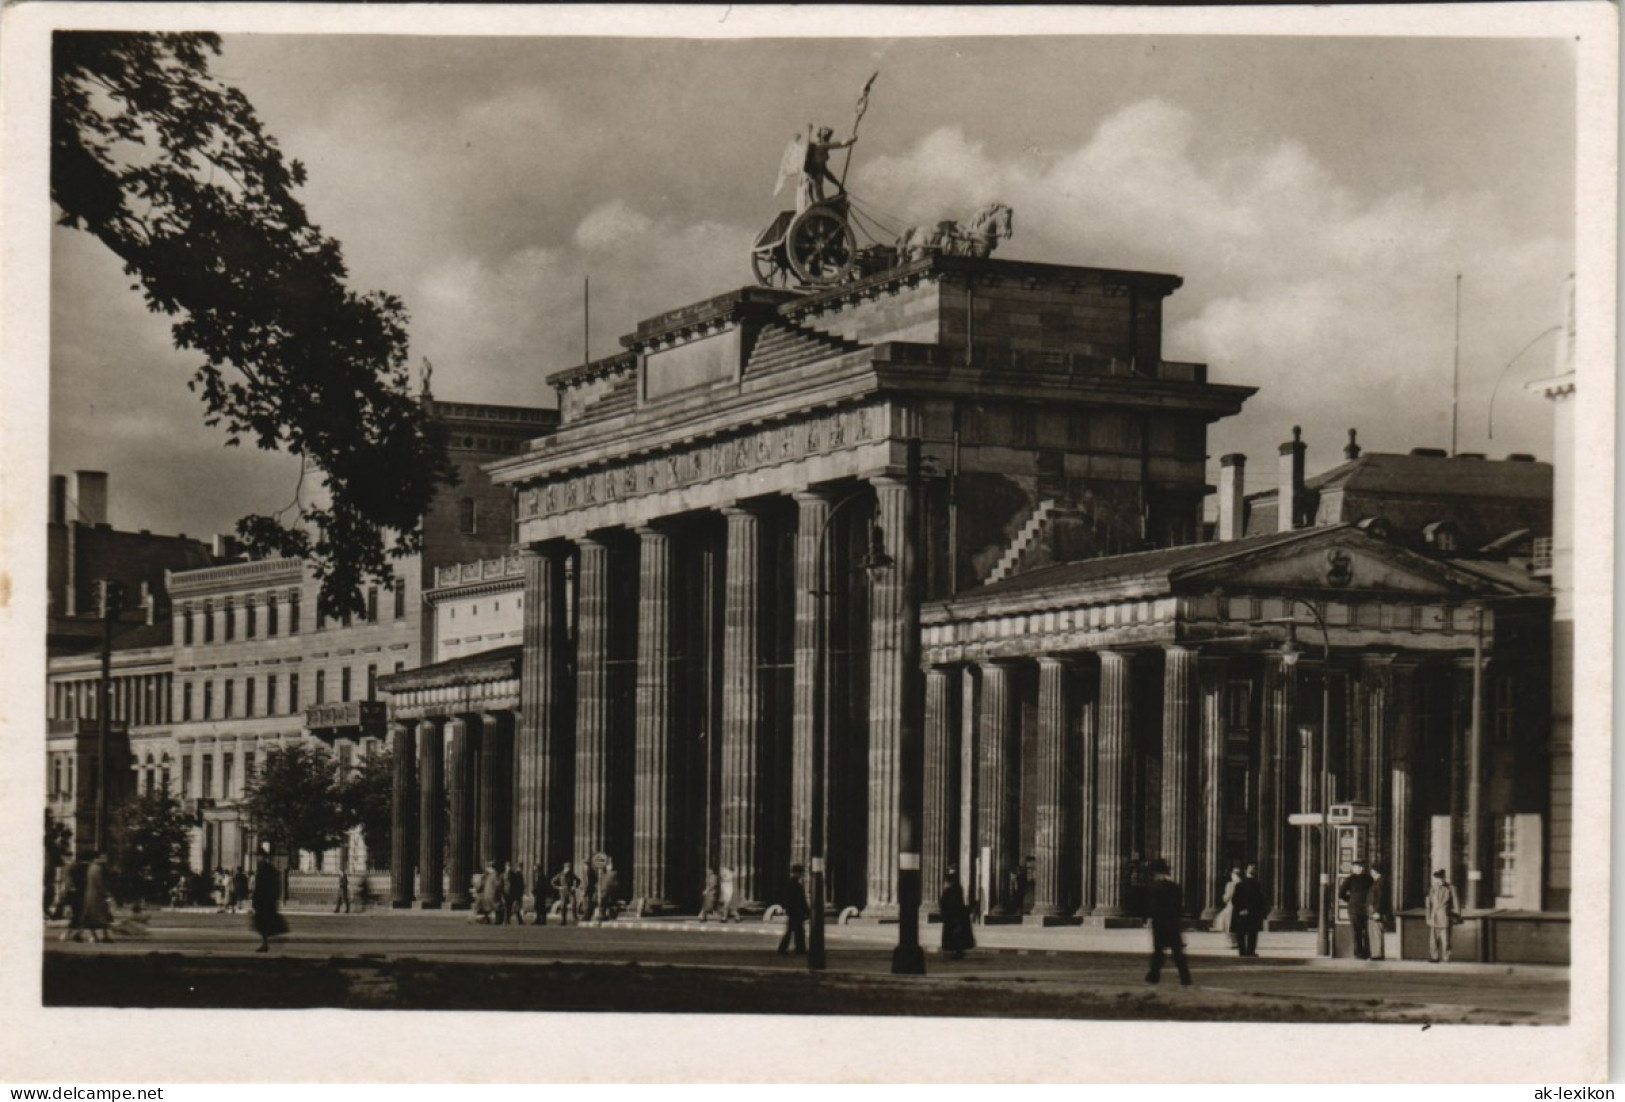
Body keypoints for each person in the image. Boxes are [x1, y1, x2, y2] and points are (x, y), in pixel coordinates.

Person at [1143, 859, 1191, 986]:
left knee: (1158, 950)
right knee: (1177, 952)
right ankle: (1185, 976)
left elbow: (1152, 908)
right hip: (1173, 923)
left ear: (1156, 873)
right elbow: (1179, 907)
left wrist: (1150, 919)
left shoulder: (1154, 888)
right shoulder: (1175, 887)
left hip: (1159, 924)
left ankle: (1154, 975)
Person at [797, 125, 854, 212]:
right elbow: (843, 143)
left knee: (818, 198)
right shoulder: (821, 146)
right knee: (819, 200)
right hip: (814, 180)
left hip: (813, 180)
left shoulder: (820, 151)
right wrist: (854, 138)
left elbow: (827, 173)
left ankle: (817, 206)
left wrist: (838, 185)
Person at [251, 845, 288, 953]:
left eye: (258, 856)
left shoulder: (266, 869)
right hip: (264, 899)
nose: (257, 858)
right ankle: (265, 943)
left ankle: (266, 943)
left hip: (265, 899)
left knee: (264, 922)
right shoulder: (265, 868)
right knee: (263, 923)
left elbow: (264, 885)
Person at [1339, 859, 1376, 960]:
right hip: (1356, 909)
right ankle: (1359, 953)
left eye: (1361, 867)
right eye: (1357, 867)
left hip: (1362, 908)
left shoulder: (1368, 879)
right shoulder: (1350, 879)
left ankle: (1366, 952)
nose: (1360, 869)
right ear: (1353, 868)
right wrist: (1350, 900)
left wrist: (1351, 900)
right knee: (1357, 932)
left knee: (1365, 932)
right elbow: (1341, 894)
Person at [939, 866, 976, 960]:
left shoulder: (952, 889)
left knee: (955, 933)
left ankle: (957, 950)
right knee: (957, 934)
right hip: (955, 914)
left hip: (953, 914)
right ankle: (958, 950)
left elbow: (949, 902)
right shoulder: (956, 888)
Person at [1425, 869, 1462, 963]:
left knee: (1446, 939)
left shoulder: (1451, 888)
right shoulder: (1433, 888)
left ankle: (1446, 957)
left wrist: (1458, 916)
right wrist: (1428, 917)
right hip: (1434, 917)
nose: (1440, 880)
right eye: (1438, 878)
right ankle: (1434, 957)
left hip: (1445, 917)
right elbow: (1428, 904)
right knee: (1433, 939)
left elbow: (1456, 903)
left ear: (1445, 878)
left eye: (1442, 878)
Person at [1230, 864, 1266, 957]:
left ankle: (1242, 951)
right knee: (1252, 932)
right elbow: (1258, 900)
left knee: (1241, 932)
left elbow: (1235, 899)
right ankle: (1250, 951)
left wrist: (1241, 909)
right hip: (1253, 912)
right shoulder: (1257, 884)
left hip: (1240, 912)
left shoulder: (1239, 884)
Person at [778, 865, 809, 955]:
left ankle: (798, 949)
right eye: (801, 873)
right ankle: (797, 949)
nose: (802, 875)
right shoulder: (796, 885)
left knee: (795, 930)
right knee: (797, 930)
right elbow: (801, 900)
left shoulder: (790, 884)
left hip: (792, 910)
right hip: (796, 910)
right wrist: (806, 910)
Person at [1214, 866, 1242, 947]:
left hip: (1231, 906)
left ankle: (1232, 942)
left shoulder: (1230, 884)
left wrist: (1224, 897)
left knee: (1228, 924)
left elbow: (1227, 898)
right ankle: (1237, 942)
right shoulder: (1242, 883)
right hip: (1239, 906)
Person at [550, 861, 580, 926]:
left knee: (573, 904)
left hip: (571, 892)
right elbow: (552, 881)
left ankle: (575, 919)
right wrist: (558, 887)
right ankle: (563, 920)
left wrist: (574, 886)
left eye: (569, 867)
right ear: (565, 868)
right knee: (563, 906)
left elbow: (578, 880)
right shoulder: (561, 875)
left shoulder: (571, 874)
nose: (569, 869)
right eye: (567, 867)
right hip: (563, 892)